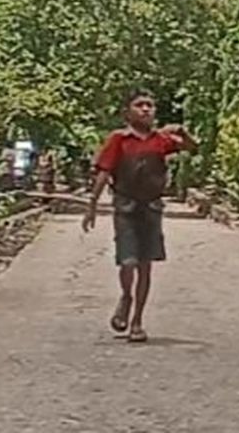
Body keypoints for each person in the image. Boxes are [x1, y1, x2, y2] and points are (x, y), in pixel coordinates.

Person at [82, 89, 197, 343]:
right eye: (140, 105)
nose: (146, 109)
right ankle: (126, 295)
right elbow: (104, 171)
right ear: (128, 112)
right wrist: (91, 205)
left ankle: (137, 321)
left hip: (151, 208)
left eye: (150, 105)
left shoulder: (160, 140)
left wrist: (181, 131)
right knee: (128, 261)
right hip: (125, 207)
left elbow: (192, 147)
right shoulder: (119, 139)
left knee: (146, 265)